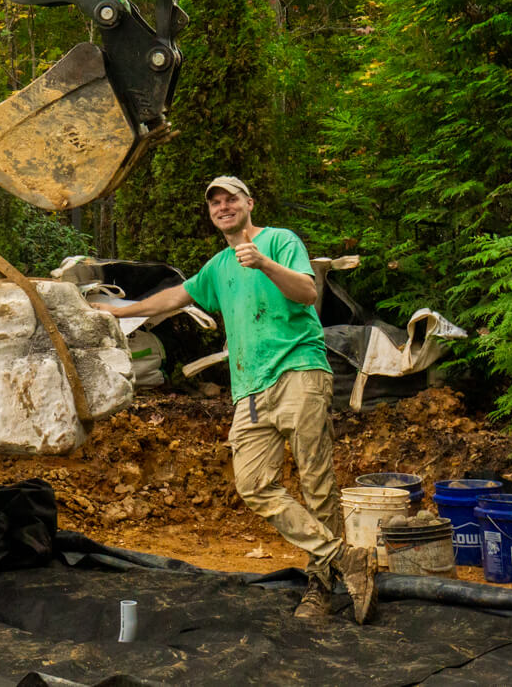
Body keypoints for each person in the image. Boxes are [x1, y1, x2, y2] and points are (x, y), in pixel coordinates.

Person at [93, 176, 378, 623]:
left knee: (316, 484)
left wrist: (264, 263)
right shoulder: (219, 266)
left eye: (231, 200)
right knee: (253, 484)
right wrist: (117, 311)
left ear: (249, 204)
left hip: (299, 371)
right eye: (215, 203)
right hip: (249, 387)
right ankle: (345, 558)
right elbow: (174, 296)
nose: (223, 207)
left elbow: (307, 292)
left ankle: (320, 587)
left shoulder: (279, 241)